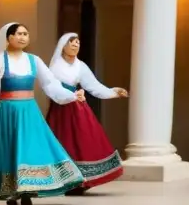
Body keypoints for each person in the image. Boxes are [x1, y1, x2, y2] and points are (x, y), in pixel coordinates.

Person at [0, 23, 84, 205]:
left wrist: (72, 95)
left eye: (26, 33)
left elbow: (50, 84)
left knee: (28, 148)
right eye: (18, 34)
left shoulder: (34, 60)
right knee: (9, 149)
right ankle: (11, 192)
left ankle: (27, 191)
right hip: (6, 112)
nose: (23, 37)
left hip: (29, 111)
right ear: (8, 37)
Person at [46, 32, 128, 194]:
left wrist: (113, 92)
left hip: (78, 109)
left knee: (84, 140)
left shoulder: (80, 65)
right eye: (72, 42)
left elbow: (93, 86)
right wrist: (69, 95)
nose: (76, 45)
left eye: (78, 43)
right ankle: (64, 180)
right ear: (63, 45)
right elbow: (51, 88)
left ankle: (83, 180)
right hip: (61, 109)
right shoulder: (55, 66)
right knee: (63, 141)